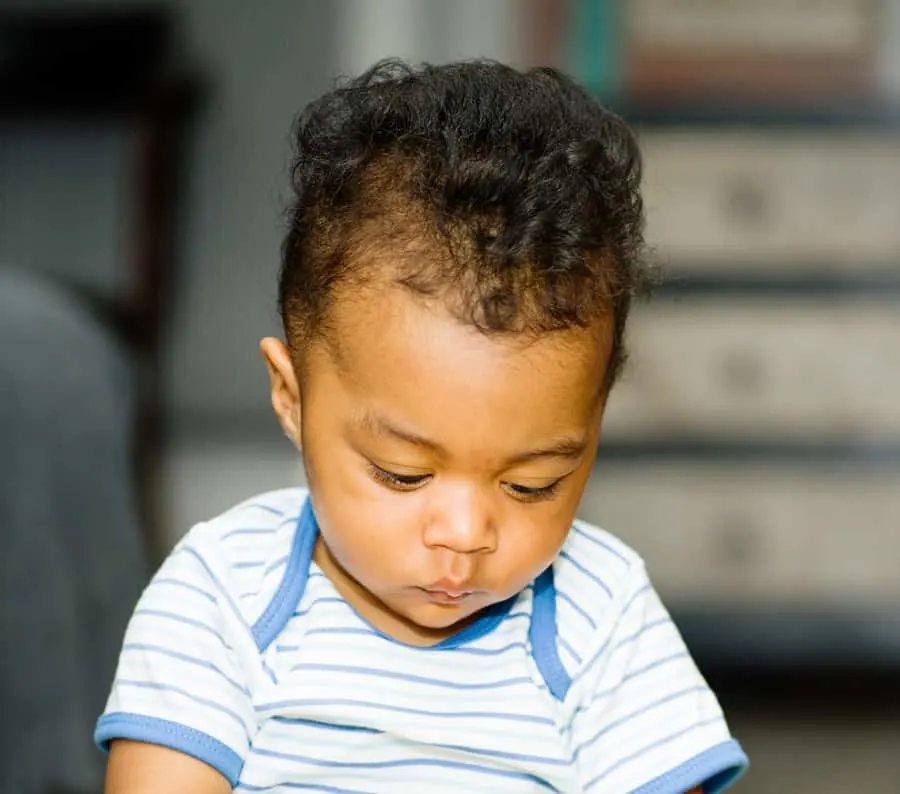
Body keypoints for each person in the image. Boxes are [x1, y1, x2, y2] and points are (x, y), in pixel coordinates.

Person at [95, 59, 749, 793]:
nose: (465, 533)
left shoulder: (599, 612)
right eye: (402, 474)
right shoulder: (222, 595)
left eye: (534, 484)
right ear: (292, 397)